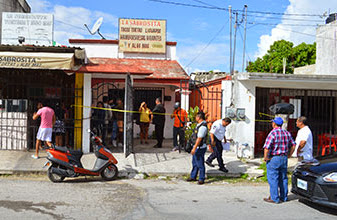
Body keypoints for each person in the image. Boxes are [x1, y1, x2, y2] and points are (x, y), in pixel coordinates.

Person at [263, 117, 296, 204]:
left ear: (274, 124)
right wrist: (289, 154)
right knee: (283, 178)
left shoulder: (272, 133)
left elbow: (267, 147)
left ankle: (274, 198)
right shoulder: (287, 133)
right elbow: (293, 145)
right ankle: (284, 197)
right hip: (284, 158)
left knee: (273, 178)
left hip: (274, 158)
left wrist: (265, 157)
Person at [186, 111, 208, 185]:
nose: (195, 118)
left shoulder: (202, 127)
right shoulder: (199, 125)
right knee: (195, 163)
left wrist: (194, 148)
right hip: (197, 147)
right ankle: (193, 176)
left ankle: (201, 178)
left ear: (199, 117)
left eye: (196, 117)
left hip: (200, 147)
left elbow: (199, 139)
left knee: (200, 163)